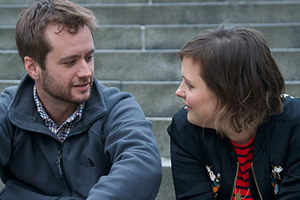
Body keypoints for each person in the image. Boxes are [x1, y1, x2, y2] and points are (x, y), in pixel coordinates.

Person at [0, 0, 162, 199]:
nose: (86, 72)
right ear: (33, 67)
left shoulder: (117, 107)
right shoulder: (7, 110)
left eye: (89, 57)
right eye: (70, 62)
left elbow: (142, 164)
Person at [168, 24, 300, 200]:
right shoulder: (185, 130)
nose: (179, 92)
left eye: (190, 85)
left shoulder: (294, 128)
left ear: (230, 92)